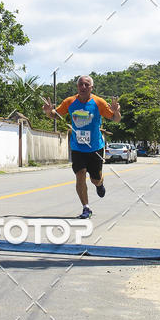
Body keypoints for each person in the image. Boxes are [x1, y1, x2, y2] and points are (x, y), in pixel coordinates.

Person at [42, 75, 121, 219]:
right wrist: (48, 112)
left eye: (86, 85)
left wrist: (116, 111)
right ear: (77, 87)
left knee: (95, 179)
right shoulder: (70, 102)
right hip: (77, 147)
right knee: (80, 175)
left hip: (95, 147)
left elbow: (115, 119)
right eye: (80, 85)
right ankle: (86, 208)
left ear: (91, 88)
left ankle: (99, 184)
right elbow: (56, 114)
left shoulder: (99, 102)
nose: (83, 87)